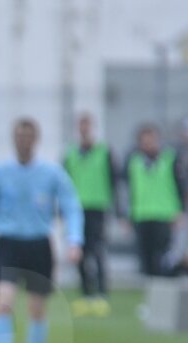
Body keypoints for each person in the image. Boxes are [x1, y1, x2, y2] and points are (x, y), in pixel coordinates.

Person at [0, 117, 82, 343]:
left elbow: (70, 204)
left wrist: (74, 240)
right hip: (8, 243)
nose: (23, 141)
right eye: (19, 136)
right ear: (13, 139)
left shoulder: (51, 173)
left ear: (36, 139)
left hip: (38, 245)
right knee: (3, 303)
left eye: (28, 136)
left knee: (36, 309)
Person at [62, 113, 118, 316]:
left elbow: (113, 180)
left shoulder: (104, 151)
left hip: (97, 207)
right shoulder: (70, 153)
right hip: (76, 209)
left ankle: (101, 294)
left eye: (87, 124)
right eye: (81, 125)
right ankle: (86, 293)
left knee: (98, 251)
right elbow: (63, 183)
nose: (84, 128)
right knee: (78, 252)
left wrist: (115, 207)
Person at [126, 123, 185, 278]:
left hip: (164, 214)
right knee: (145, 260)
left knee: (163, 259)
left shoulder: (170, 158)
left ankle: (163, 296)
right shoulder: (134, 162)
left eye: (151, 141)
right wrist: (128, 215)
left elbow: (180, 186)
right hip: (142, 214)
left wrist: (180, 210)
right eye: (144, 142)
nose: (148, 145)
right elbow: (130, 191)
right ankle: (149, 297)